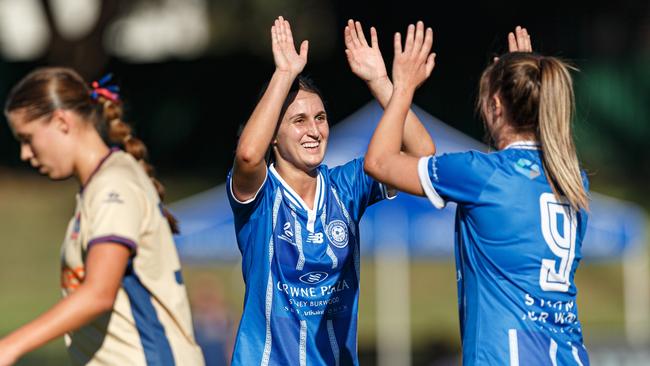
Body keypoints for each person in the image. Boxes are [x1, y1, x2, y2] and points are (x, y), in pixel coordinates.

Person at [364, 23, 591, 365]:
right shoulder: (574, 179)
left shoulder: (482, 174)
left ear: (496, 106)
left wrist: (402, 88)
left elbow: (380, 161)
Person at [227, 16, 434, 365]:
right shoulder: (261, 197)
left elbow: (422, 158)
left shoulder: (346, 186)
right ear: (273, 136)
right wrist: (284, 74)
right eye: (299, 120)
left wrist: (384, 84)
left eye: (320, 118)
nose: (314, 130)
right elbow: (248, 155)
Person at [0, 68, 204, 365]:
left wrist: (10, 346)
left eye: (28, 138)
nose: (25, 154)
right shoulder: (100, 186)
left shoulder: (113, 186)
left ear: (61, 121)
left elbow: (99, 293)